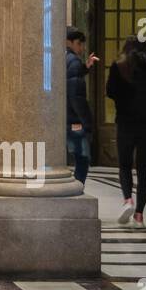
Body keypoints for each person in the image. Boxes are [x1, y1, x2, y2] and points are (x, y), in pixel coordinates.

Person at [105, 37, 146, 228]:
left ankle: (128, 200)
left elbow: (110, 91)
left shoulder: (119, 66)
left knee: (124, 165)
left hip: (126, 123)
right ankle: (139, 215)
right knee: (143, 169)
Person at [65, 27, 98, 186]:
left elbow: (70, 80)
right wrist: (87, 122)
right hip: (75, 121)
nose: (82, 48)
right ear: (68, 42)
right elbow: (76, 97)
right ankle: (77, 188)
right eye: (79, 44)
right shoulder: (74, 62)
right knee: (83, 157)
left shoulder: (63, 58)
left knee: (75, 156)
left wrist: (85, 67)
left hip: (65, 117)